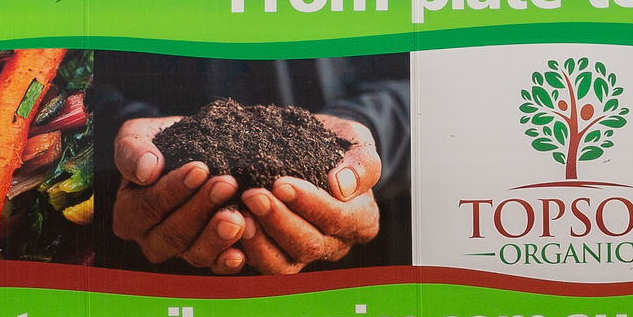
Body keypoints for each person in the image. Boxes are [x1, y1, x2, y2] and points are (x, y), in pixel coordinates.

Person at [87, 56, 410, 276]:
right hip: (131, 272)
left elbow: (433, 74)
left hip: (355, 287)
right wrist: (116, 136)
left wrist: (366, 131)